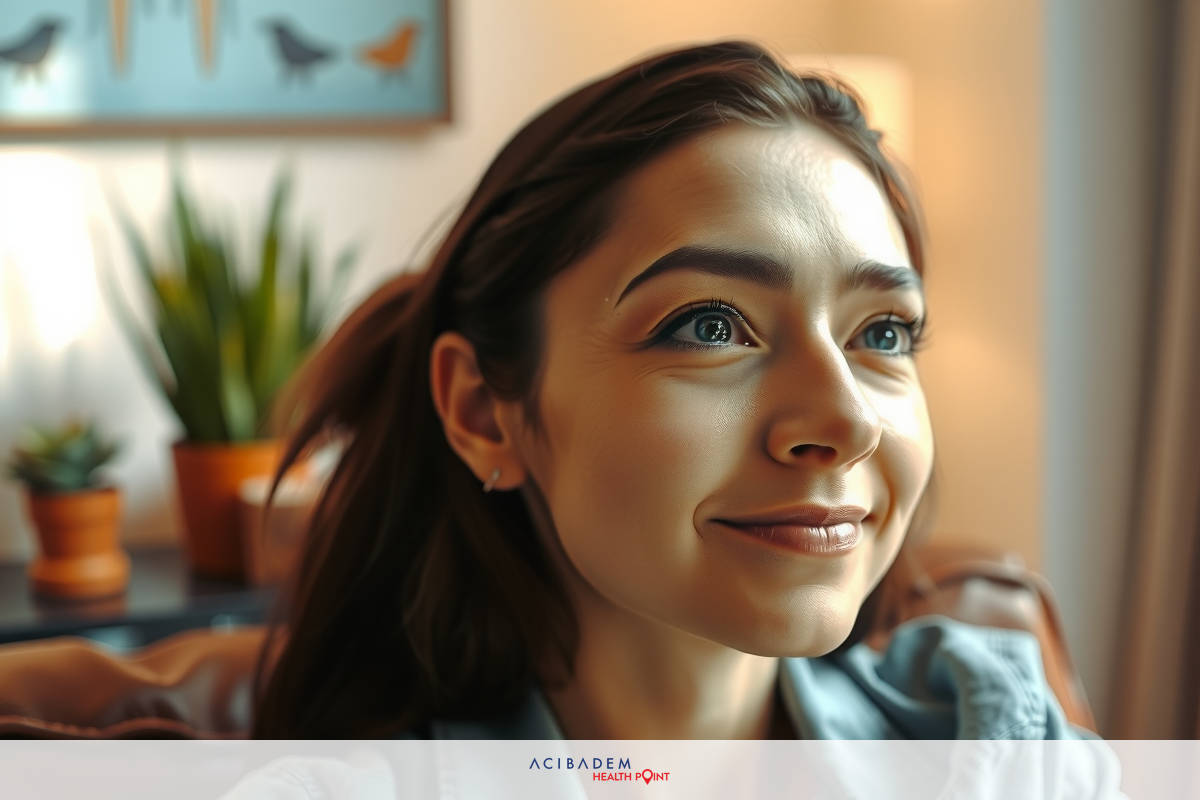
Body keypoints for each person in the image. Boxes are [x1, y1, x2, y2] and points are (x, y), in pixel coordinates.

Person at [252, 40, 1083, 741]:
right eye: (710, 326)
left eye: (884, 334)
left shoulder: (992, 738)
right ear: (483, 412)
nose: (849, 423)